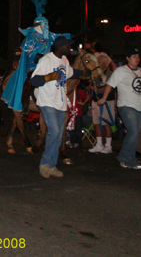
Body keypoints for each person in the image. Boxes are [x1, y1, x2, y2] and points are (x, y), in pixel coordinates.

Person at [31, 36, 82, 178]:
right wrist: (48, 77)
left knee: (59, 135)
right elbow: (34, 80)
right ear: (61, 46)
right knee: (54, 131)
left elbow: (73, 73)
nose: (70, 48)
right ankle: (45, 164)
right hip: (47, 101)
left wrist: (91, 72)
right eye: (68, 46)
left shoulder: (65, 61)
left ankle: (52, 166)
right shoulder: (46, 60)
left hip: (60, 102)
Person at [97, 48, 141, 170]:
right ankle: (129, 160)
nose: (137, 59)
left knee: (135, 133)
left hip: (140, 106)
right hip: (126, 105)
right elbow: (110, 84)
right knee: (133, 132)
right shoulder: (121, 71)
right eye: (134, 56)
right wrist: (104, 98)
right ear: (127, 58)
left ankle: (124, 157)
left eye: (138, 56)